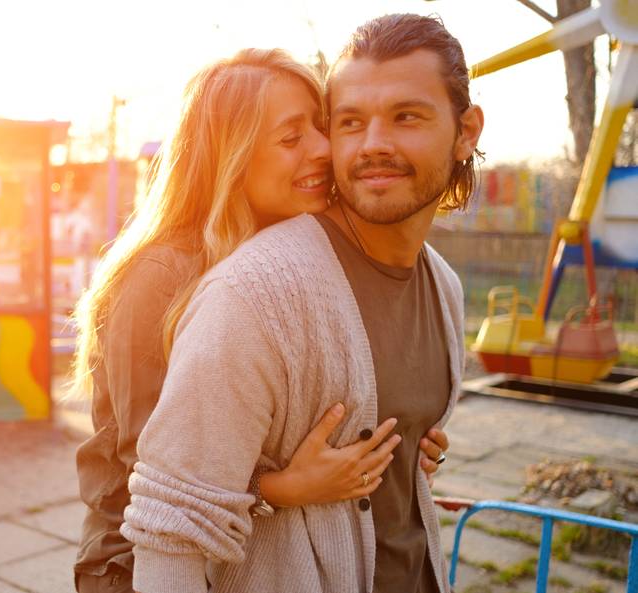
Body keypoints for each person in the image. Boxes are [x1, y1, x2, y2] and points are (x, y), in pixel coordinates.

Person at [121, 14, 483, 593]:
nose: (373, 145)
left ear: (467, 131)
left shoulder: (444, 287)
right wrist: (274, 490)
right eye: (350, 122)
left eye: (406, 116)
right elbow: (170, 529)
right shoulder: (250, 294)